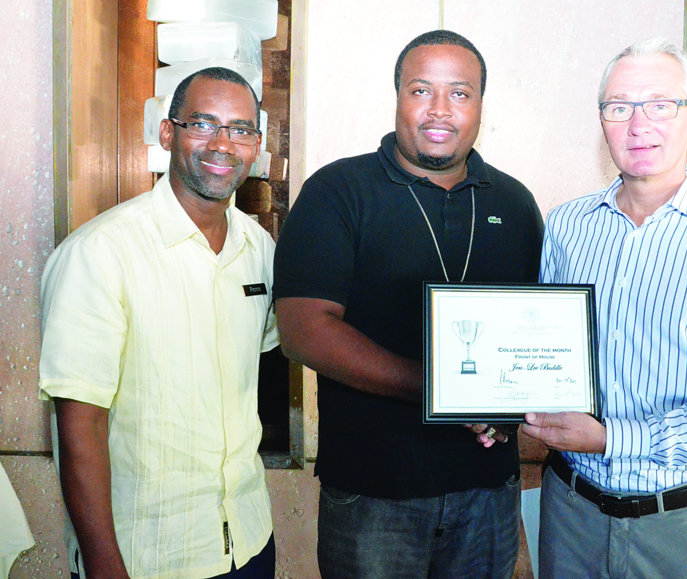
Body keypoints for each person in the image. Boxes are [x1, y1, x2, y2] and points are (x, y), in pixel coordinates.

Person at [492, 38, 687, 578]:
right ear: (602, 121)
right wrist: (498, 405)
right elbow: (540, 351)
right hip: (569, 512)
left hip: (679, 526)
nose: (637, 123)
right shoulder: (567, 225)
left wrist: (614, 438)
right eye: (619, 107)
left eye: (660, 104)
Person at [273, 30, 543, 578]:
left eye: (460, 93)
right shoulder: (338, 191)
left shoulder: (515, 203)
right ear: (397, 96)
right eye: (421, 90)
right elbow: (303, 330)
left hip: (488, 491)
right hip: (375, 495)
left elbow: (534, 331)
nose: (439, 110)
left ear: (480, 107)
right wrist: (440, 387)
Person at [39, 67, 279, 578]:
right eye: (203, 124)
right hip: (148, 555)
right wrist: (105, 566)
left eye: (240, 129)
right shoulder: (99, 254)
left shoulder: (260, 250)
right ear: (168, 133)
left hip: (249, 541)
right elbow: (79, 423)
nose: (222, 144)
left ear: (256, 145)